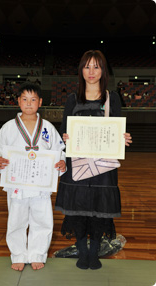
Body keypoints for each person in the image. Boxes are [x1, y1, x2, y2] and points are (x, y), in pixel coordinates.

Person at [55, 50, 132, 270]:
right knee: (78, 208)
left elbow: (117, 130)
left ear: (103, 70)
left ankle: (95, 250)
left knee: (100, 208)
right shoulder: (72, 99)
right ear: (81, 70)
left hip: (102, 167)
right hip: (77, 166)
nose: (91, 71)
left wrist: (123, 137)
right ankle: (82, 250)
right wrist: (66, 136)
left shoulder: (112, 98)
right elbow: (63, 130)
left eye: (96, 66)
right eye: (87, 66)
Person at [0, 82, 66, 272]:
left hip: (40, 182)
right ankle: (17, 254)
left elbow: (59, 150)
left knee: (42, 219)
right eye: (25, 99)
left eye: (33, 100)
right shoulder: (8, 127)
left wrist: (61, 162)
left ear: (40, 102)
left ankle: (37, 254)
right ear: (18, 101)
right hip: (17, 181)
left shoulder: (47, 127)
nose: (29, 103)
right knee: (16, 218)